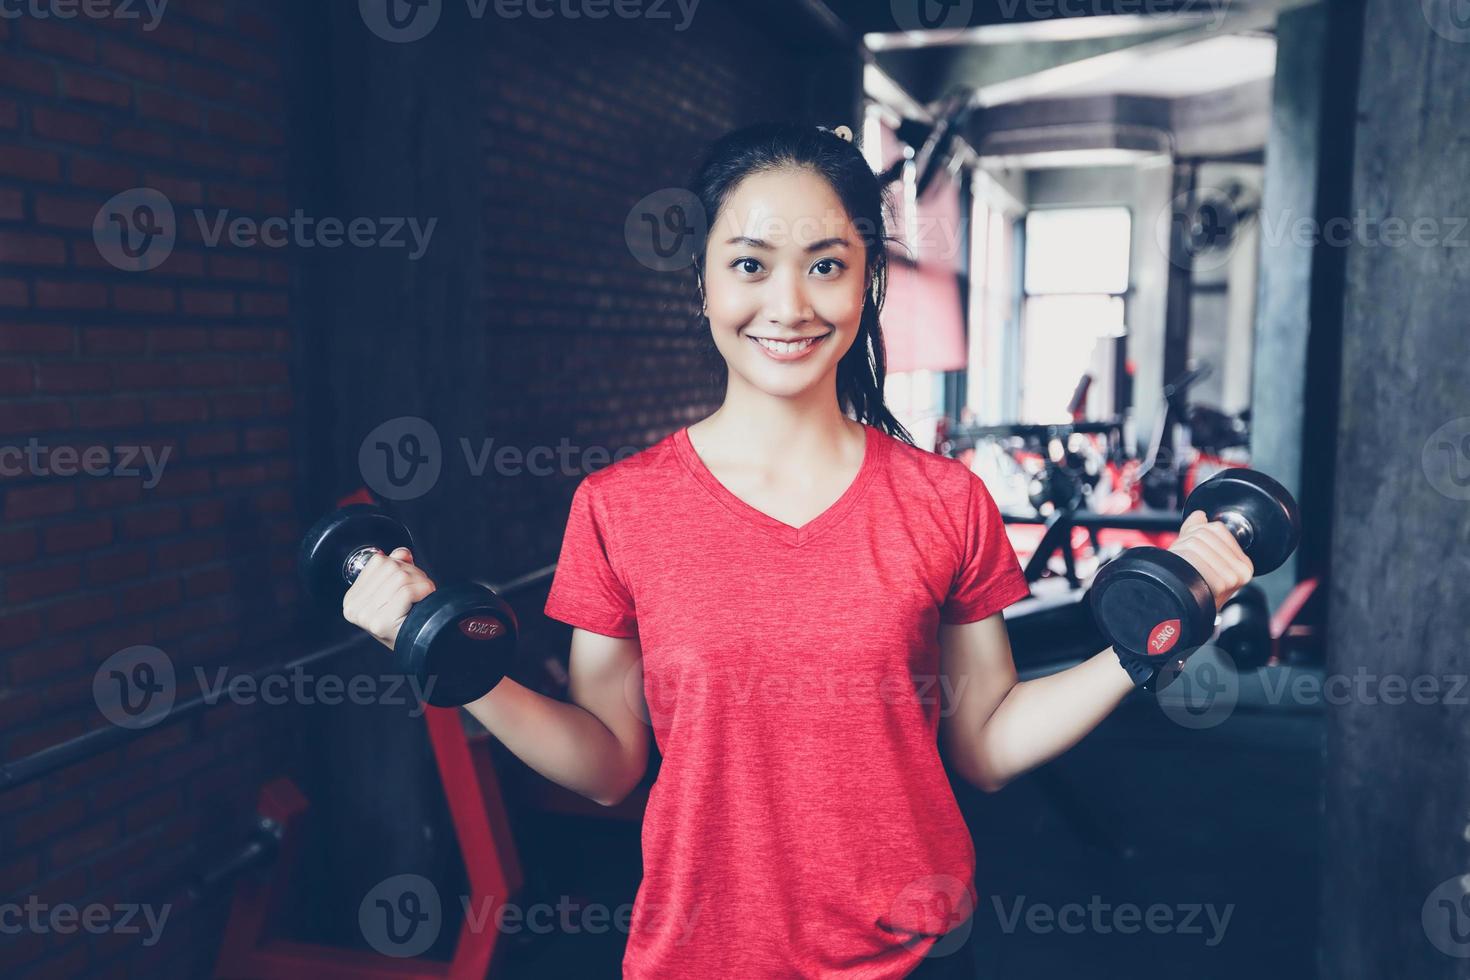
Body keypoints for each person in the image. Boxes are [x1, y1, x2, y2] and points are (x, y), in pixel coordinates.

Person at [340, 121, 1253, 979]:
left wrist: (1147, 642)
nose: (789, 305)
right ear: (702, 282)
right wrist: (444, 656)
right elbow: (611, 763)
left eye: (826, 265)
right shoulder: (620, 507)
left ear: (867, 282)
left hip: (911, 958)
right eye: (750, 263)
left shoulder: (944, 501)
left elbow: (984, 744)